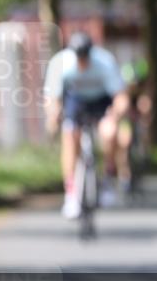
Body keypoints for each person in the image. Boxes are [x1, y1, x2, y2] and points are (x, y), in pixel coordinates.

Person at [43, 32, 128, 219]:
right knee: (70, 136)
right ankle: (71, 193)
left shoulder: (105, 62)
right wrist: (53, 116)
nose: (82, 62)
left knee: (110, 133)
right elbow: (52, 98)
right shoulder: (61, 63)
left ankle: (107, 181)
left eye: (85, 57)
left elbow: (121, 97)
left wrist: (115, 116)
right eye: (79, 58)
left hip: (101, 100)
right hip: (75, 100)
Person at [116, 58, 153, 194]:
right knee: (125, 142)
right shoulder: (122, 91)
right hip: (126, 115)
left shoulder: (144, 89)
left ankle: (144, 149)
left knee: (145, 113)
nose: (134, 86)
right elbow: (120, 108)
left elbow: (146, 106)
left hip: (138, 112)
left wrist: (145, 118)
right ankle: (124, 175)